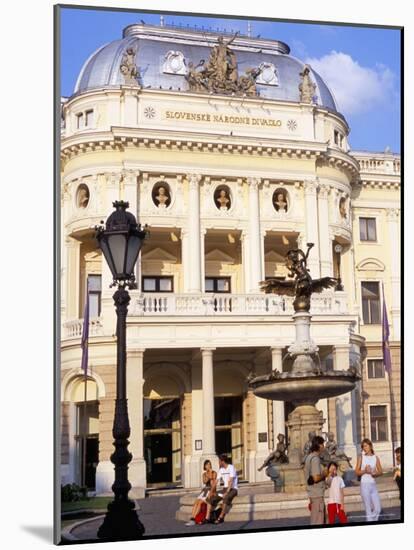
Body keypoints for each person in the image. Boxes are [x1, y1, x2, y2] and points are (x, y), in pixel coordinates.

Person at [355, 438, 383, 521]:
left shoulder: (376, 458)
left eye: (366, 446)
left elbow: (381, 472)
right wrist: (365, 471)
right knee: (368, 510)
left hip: (373, 485)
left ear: (370, 446)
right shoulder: (361, 457)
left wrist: (375, 473)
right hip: (364, 485)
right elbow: (356, 472)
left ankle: (372, 520)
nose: (364, 448)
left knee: (378, 509)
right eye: (363, 446)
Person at [206, 454, 238, 524]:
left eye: (219, 461)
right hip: (224, 489)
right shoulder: (221, 469)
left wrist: (227, 492)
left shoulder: (231, 467)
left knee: (226, 497)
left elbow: (231, 481)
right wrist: (211, 492)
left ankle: (221, 517)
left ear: (222, 461)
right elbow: (215, 482)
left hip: (233, 489)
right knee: (210, 498)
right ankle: (207, 518)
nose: (218, 463)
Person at [304, 435, 328, 525]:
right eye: (323, 444)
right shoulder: (315, 459)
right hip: (317, 493)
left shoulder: (309, 457)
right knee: (318, 520)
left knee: (316, 519)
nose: (324, 447)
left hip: (313, 493)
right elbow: (315, 477)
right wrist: (324, 474)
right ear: (319, 445)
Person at [185, 460, 217, 526]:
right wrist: (208, 475)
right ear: (205, 466)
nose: (208, 466)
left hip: (211, 490)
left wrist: (210, 473)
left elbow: (212, 481)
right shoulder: (204, 474)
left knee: (200, 503)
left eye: (209, 464)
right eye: (207, 465)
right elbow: (205, 482)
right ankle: (192, 518)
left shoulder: (214, 473)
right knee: (196, 502)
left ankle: (193, 519)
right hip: (205, 490)